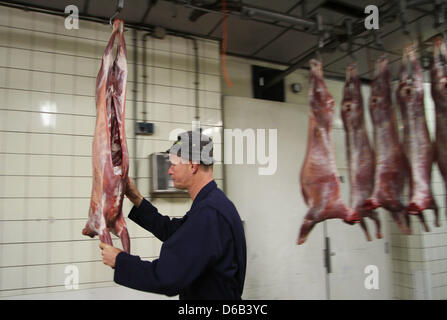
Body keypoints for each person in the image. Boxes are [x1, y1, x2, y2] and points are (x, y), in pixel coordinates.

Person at [99, 130, 247, 300]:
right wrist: (135, 197)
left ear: (193, 166)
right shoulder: (212, 203)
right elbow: (175, 232)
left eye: (174, 165)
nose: (169, 171)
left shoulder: (209, 213)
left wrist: (120, 261)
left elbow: (167, 277)